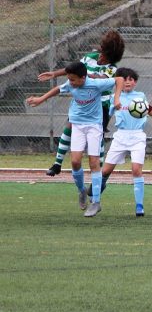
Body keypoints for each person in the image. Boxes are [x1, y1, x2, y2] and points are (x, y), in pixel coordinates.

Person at [26, 62, 123, 217]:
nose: (70, 83)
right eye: (69, 79)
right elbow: (58, 89)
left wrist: (117, 98)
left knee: (94, 162)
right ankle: (82, 190)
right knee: (75, 161)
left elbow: (119, 80)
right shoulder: (71, 84)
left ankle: (96, 202)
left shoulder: (96, 84)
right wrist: (40, 99)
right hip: (77, 125)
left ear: (83, 78)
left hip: (94, 126)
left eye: (73, 80)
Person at [39, 30, 124, 177]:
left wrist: (83, 76)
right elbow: (73, 69)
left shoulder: (112, 68)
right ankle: (57, 163)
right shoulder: (90, 57)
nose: (102, 57)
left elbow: (98, 79)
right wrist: (54, 74)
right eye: (103, 52)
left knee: (99, 137)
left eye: (107, 57)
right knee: (69, 126)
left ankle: (100, 171)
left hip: (100, 105)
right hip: (81, 102)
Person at [100, 68, 152, 216]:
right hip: (120, 136)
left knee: (136, 170)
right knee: (105, 171)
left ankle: (139, 206)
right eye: (124, 79)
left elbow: (150, 110)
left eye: (131, 79)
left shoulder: (140, 96)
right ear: (118, 81)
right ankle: (101, 184)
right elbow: (105, 114)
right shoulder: (114, 97)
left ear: (135, 82)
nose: (127, 82)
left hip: (137, 136)